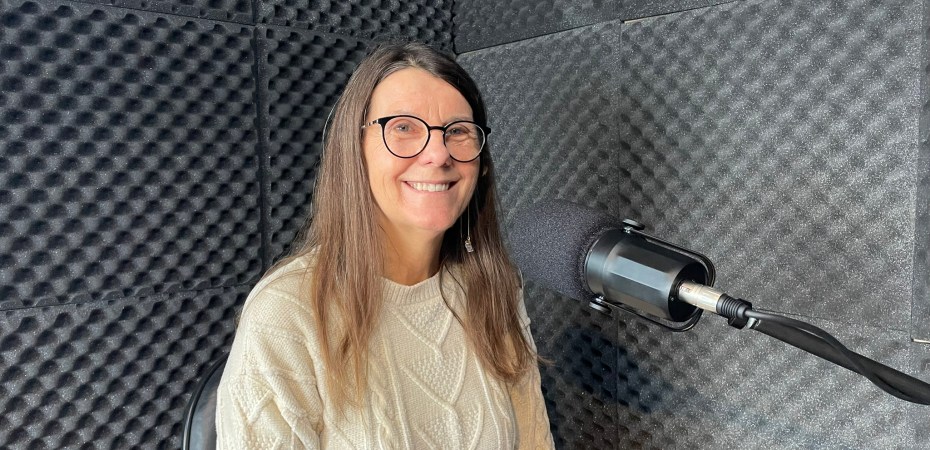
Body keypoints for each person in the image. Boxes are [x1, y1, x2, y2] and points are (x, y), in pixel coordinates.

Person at [215, 41, 554, 449]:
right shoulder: (285, 315)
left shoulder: (496, 287)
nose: (438, 154)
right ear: (354, 151)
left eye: (457, 131)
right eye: (404, 128)